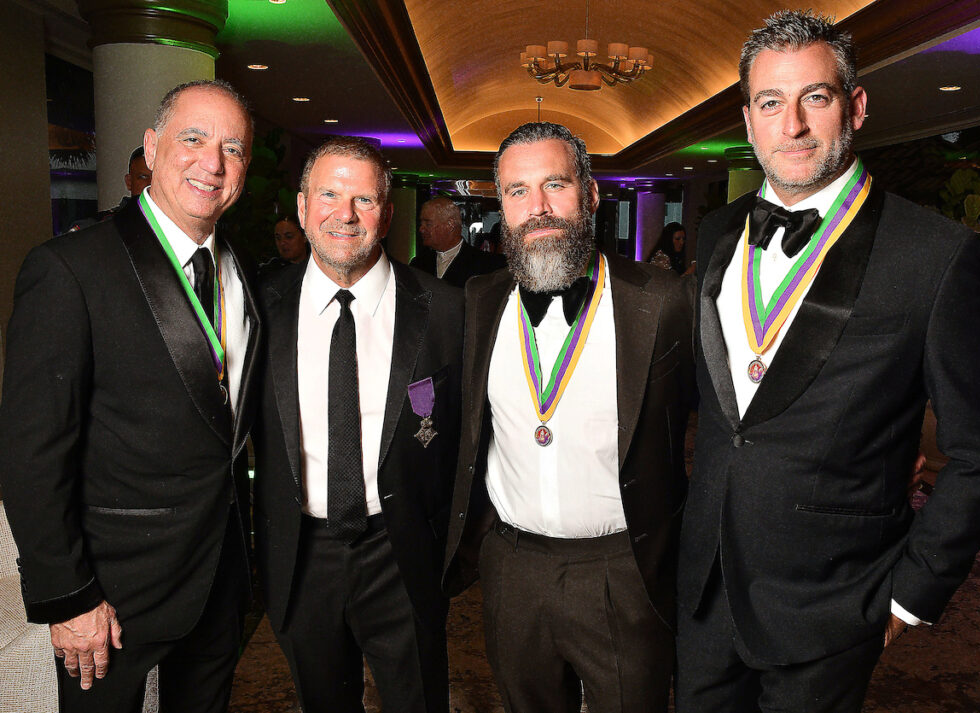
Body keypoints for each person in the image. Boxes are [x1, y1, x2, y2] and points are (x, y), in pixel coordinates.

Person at [675, 11, 980, 713]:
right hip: (704, 591)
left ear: (855, 107)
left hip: (835, 605)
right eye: (771, 103)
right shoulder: (715, 235)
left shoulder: (932, 255)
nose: (793, 125)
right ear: (748, 120)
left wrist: (910, 593)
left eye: (817, 97)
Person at [0, 79, 261, 713]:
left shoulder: (240, 269)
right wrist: (67, 598)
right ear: (151, 146)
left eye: (233, 147)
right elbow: (31, 454)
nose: (212, 163)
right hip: (111, 595)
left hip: (220, 578)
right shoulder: (70, 269)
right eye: (193, 139)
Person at [443, 122, 694, 713]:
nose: (538, 208)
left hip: (624, 570)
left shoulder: (662, 302)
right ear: (500, 205)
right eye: (517, 191)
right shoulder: (478, 302)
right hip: (512, 568)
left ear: (590, 193)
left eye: (555, 184)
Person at [253, 136, 463, 713]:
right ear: (301, 207)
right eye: (328, 194)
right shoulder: (258, 307)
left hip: (403, 553)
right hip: (300, 556)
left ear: (387, 214)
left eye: (364, 200)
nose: (344, 214)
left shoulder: (446, 309)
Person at [410, 196, 506, 287]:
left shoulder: (488, 265)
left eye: (428, 223)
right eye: (421, 223)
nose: (421, 229)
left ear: (450, 225)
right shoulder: (418, 264)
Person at [69, 146, 152, 231]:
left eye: (158, 177)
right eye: (143, 177)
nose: (151, 183)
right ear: (129, 182)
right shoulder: (104, 225)